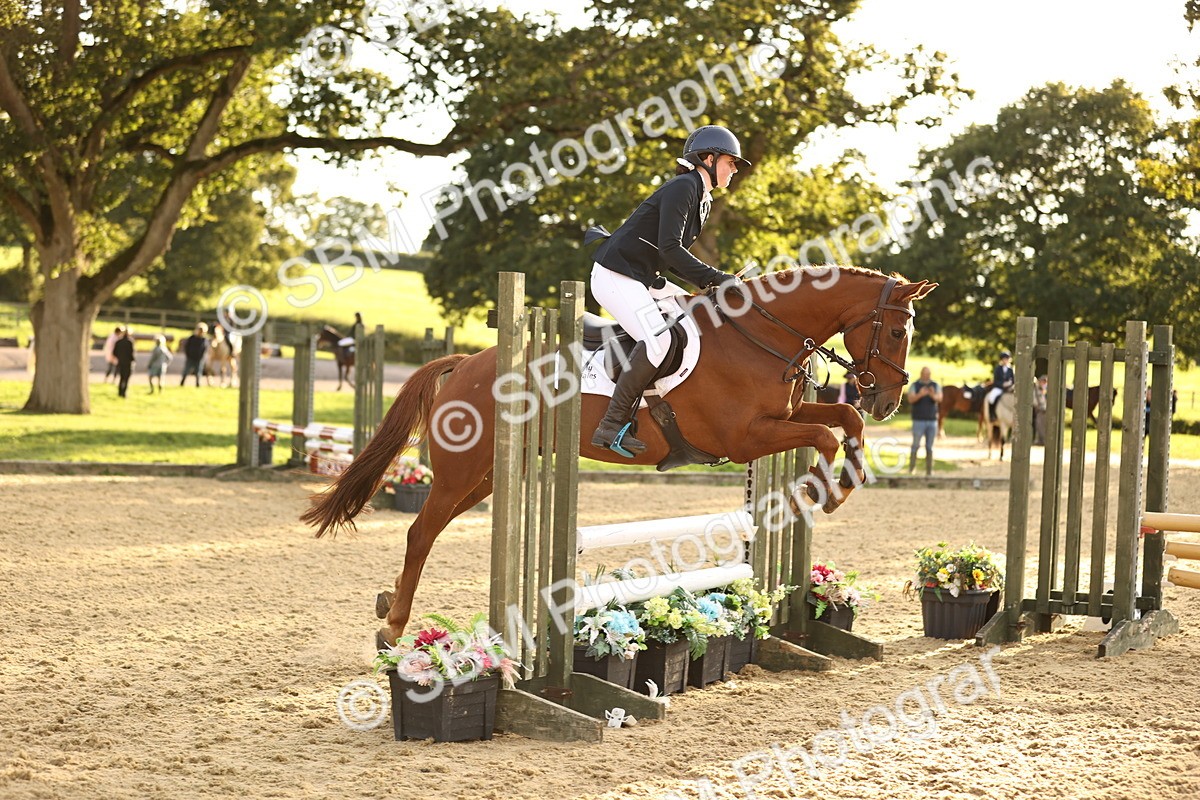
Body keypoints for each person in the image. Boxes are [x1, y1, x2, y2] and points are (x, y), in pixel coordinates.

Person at [584, 124, 748, 456]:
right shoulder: (684, 187)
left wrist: (705, 286)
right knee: (658, 340)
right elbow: (670, 249)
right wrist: (716, 277)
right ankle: (612, 424)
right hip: (616, 274)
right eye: (730, 162)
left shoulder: (701, 198)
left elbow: (668, 256)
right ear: (708, 158)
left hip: (642, 275)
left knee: (693, 315)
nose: (734, 169)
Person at [907, 366, 941, 476]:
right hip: (918, 420)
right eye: (925, 374)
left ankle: (929, 471)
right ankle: (912, 469)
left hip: (932, 420)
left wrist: (931, 394)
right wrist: (920, 394)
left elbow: (939, 399)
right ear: (921, 374)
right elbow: (911, 399)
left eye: (928, 374)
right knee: (915, 445)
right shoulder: (915, 385)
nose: (927, 376)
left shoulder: (935, 385)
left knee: (930, 447)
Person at [984, 350, 1014, 421]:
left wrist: (1010, 384)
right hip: (999, 388)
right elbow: (995, 381)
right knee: (991, 398)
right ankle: (992, 415)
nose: (1005, 360)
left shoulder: (1011, 369)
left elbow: (1013, 380)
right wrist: (1003, 384)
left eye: (1007, 359)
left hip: (1008, 389)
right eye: (1004, 359)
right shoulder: (998, 369)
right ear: (1002, 360)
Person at [113, 327, 136, 398]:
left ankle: (120, 392)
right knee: (126, 378)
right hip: (128, 363)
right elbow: (131, 353)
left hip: (120, 362)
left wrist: (120, 357)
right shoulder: (130, 342)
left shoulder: (118, 342)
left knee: (121, 378)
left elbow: (114, 352)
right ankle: (124, 392)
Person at [1033, 375, 1049, 446]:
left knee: (1045, 425)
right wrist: (1038, 406)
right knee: (1039, 425)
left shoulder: (1046, 390)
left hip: (1046, 409)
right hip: (1040, 410)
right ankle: (1040, 440)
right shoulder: (1036, 390)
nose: (1044, 383)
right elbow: (1034, 400)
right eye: (1042, 381)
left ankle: (1045, 440)